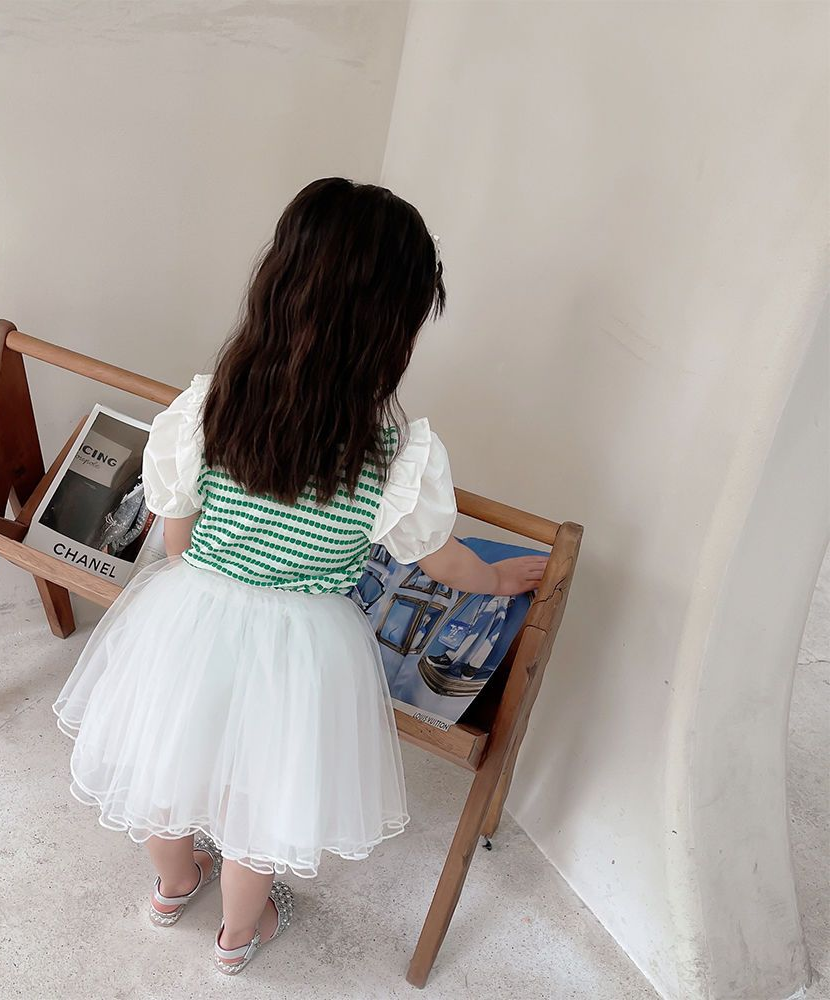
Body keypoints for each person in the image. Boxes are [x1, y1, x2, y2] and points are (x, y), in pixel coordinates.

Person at [52, 177, 549, 976]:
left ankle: (173, 886)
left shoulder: (211, 407)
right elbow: (438, 558)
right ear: (391, 330)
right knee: (262, 795)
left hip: (190, 612)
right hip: (306, 640)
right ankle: (238, 935)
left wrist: (219, 578)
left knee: (165, 760)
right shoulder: (395, 454)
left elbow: (177, 536)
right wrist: (497, 583)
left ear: (277, 287)